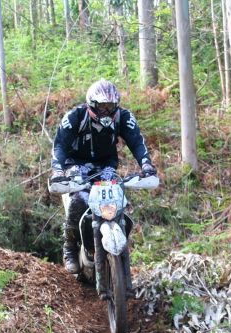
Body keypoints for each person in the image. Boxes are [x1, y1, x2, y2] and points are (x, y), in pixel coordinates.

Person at [50, 79, 156, 276]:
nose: (106, 112)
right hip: (75, 164)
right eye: (102, 107)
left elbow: (137, 142)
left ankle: (118, 242)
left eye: (111, 107)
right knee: (79, 200)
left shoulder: (123, 117)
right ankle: (70, 248)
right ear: (92, 105)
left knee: (118, 199)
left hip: (105, 166)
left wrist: (146, 165)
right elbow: (60, 146)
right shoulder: (75, 117)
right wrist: (57, 170)